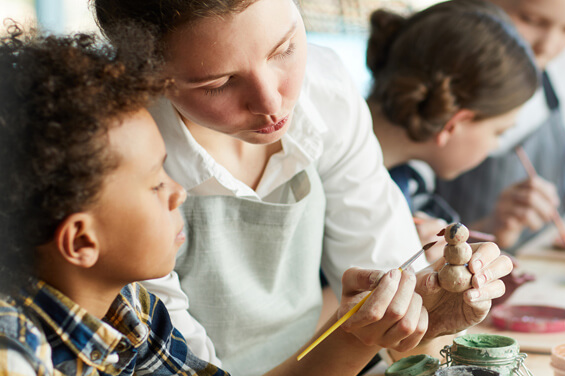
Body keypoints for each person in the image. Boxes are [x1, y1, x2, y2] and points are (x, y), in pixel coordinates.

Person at [91, 0, 513, 374]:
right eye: (217, 84)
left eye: (285, 49)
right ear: (147, 76)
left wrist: (427, 314)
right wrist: (357, 337)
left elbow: (398, 315)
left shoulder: (324, 91)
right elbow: (178, 366)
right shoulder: (120, 159)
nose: (272, 103)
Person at [0, 25, 227, 376]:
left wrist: (345, 335)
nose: (178, 192)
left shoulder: (130, 307)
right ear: (81, 240)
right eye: (156, 185)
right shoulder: (13, 356)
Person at [435, 0, 565, 250]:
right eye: (532, 21)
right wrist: (490, 227)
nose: (548, 46)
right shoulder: (437, 79)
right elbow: (408, 241)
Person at [365, 0, 540, 254]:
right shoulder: (332, 177)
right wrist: (401, 265)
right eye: (498, 133)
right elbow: (300, 294)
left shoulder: (405, 178)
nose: (496, 145)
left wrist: (491, 227)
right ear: (453, 124)